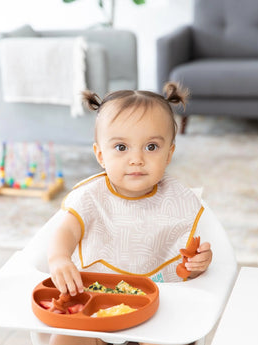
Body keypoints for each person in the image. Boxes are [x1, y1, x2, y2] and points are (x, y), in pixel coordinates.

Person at [47, 83, 213, 345]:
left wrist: (196, 266)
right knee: (64, 339)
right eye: (122, 148)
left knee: (175, 336)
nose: (136, 159)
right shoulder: (91, 197)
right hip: (94, 301)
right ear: (100, 154)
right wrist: (58, 258)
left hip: (158, 307)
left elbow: (182, 264)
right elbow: (65, 230)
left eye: (151, 147)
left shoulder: (177, 201)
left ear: (169, 154)